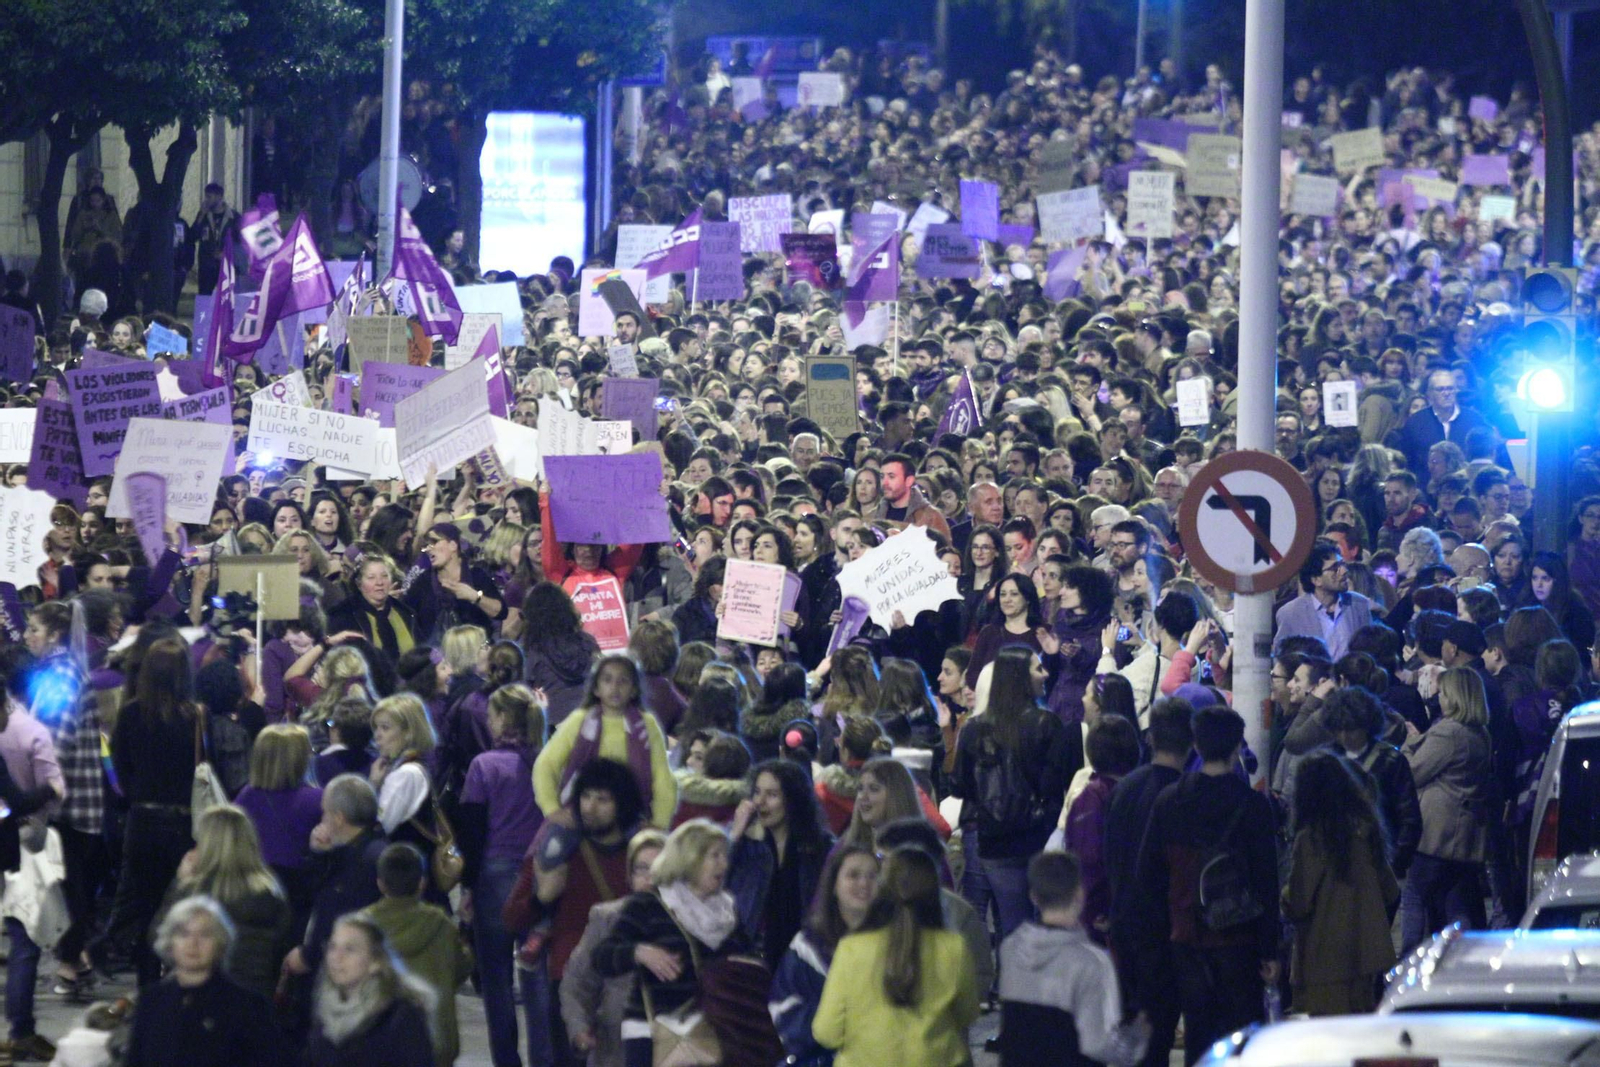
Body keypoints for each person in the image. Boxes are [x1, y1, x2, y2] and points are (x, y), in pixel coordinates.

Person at [1135, 706, 1279, 1065]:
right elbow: (1266, 880)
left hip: (1186, 936)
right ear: (1236, 748)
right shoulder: (1253, 806)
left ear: (1195, 744)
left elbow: (1149, 875)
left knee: (1198, 1030)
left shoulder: (1169, 801)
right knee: (1243, 1035)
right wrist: (1271, 949)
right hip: (1240, 935)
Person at [504, 757, 640, 1067]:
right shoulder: (558, 849)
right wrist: (542, 898)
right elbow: (511, 918)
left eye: (602, 799)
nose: (590, 807)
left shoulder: (641, 855)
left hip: (627, 983)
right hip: (571, 983)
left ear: (622, 803)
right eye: (586, 797)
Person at [594, 819, 759, 1067]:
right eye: (714, 856)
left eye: (724, 856)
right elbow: (602, 957)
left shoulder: (726, 911)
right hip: (653, 1034)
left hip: (711, 1029)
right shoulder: (649, 904)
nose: (723, 865)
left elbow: (749, 958)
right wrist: (639, 952)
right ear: (690, 859)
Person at [811, 846, 980, 1067]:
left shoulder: (852, 948)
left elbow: (827, 1032)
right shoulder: (954, 948)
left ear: (883, 888)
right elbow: (967, 1015)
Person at [97, 637, 203, 986]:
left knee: (143, 910)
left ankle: (146, 987)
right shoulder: (195, 717)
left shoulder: (130, 713)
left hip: (142, 821)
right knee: (182, 906)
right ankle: (178, 980)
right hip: (182, 823)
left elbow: (117, 768)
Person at [457, 684, 544, 1067]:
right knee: (536, 974)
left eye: (491, 715)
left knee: (495, 978)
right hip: (539, 874)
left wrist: (468, 887)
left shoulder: (483, 766)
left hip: (493, 874)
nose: (487, 723)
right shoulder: (545, 762)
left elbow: (472, 833)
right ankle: (546, 1055)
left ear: (504, 718)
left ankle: (506, 1060)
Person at [1104, 697, 1192, 1067]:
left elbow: (1111, 855)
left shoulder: (1125, 788)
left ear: (1151, 738)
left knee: (1130, 1032)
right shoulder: (1183, 795)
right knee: (1157, 1034)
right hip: (1165, 932)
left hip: (1125, 925)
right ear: (1191, 741)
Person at [997, 851, 1146, 1067]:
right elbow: (1098, 1045)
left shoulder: (1011, 948)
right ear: (1080, 894)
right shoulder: (1091, 962)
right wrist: (1136, 1039)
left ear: (1034, 896)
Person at [1282, 752, 1399, 1015]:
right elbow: (1391, 892)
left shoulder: (1311, 838)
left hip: (1323, 958)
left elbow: (1299, 900)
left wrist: (1283, 899)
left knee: (1328, 1041)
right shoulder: (1367, 832)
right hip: (1366, 959)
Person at [123, 896, 283, 1067]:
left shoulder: (248, 1006)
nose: (193, 943)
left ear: (220, 942)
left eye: (205, 935)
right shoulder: (151, 1001)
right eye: (184, 934)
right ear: (170, 941)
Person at [1400, 666, 1495, 950]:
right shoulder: (1480, 733)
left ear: (1454, 696)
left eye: (1442, 693)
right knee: (1456, 904)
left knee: (1415, 896)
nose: (1439, 698)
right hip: (1464, 836)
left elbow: (1414, 772)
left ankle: (1409, 959)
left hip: (1437, 834)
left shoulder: (1449, 733)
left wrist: (1407, 745)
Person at [160, 805, 294, 1002]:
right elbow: (285, 944)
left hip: (200, 998)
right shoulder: (271, 889)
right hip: (255, 1000)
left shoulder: (192, 892)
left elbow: (158, 937)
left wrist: (178, 883)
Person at [559, 829, 667, 1067]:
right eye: (642, 869)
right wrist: (579, 1028)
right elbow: (576, 982)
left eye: (660, 869)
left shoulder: (692, 923)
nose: (650, 879)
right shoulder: (607, 918)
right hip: (614, 1053)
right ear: (630, 875)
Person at [532, 653, 676, 831]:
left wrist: (659, 824)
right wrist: (552, 809)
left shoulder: (646, 725)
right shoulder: (580, 720)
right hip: (582, 816)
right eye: (607, 680)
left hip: (630, 817)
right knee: (551, 854)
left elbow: (663, 778)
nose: (615, 687)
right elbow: (545, 765)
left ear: (634, 689)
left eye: (623, 681)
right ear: (596, 688)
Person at [768, 844, 881, 1067]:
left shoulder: (896, 940)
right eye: (853, 875)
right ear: (833, 885)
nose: (864, 884)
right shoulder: (807, 947)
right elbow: (783, 1010)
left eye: (872, 876)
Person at [363, 843, 473, 1067]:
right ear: (422, 883)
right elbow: (460, 969)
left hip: (380, 1048)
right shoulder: (440, 924)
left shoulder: (362, 927)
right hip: (435, 1045)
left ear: (380, 883)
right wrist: (466, 934)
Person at [281, 774, 387, 988]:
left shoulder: (362, 863)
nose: (322, 819)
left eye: (325, 812)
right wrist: (319, 854)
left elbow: (336, 917)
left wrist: (307, 957)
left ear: (338, 818)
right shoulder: (365, 848)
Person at [304, 914, 437, 1067]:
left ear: (375, 961)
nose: (337, 957)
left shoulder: (400, 1018)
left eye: (350, 949)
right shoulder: (325, 1011)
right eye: (333, 947)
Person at [743, 758, 835, 969]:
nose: (760, 802)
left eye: (772, 795)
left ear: (793, 801)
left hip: (804, 957)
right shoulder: (748, 847)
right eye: (757, 792)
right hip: (756, 955)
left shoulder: (819, 847)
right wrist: (736, 836)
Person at [233, 724, 323, 922]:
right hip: (299, 897)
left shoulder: (245, 796)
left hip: (252, 891)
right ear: (299, 759)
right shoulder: (318, 800)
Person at [369, 694, 449, 902]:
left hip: (411, 885)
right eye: (376, 727)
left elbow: (380, 825)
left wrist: (372, 787)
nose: (377, 735)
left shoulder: (406, 774)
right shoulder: (406, 767)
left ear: (408, 732)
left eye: (385, 728)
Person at [1273, 542, 1374, 661]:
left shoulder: (1359, 604)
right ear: (1316, 580)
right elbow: (1281, 658)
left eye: (1342, 564)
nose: (1344, 571)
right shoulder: (1291, 613)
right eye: (1335, 568)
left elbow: (1370, 651)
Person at [521, 582, 602, 727]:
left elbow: (524, 695)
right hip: (592, 723)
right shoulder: (588, 643)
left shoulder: (532, 652)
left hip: (553, 728)